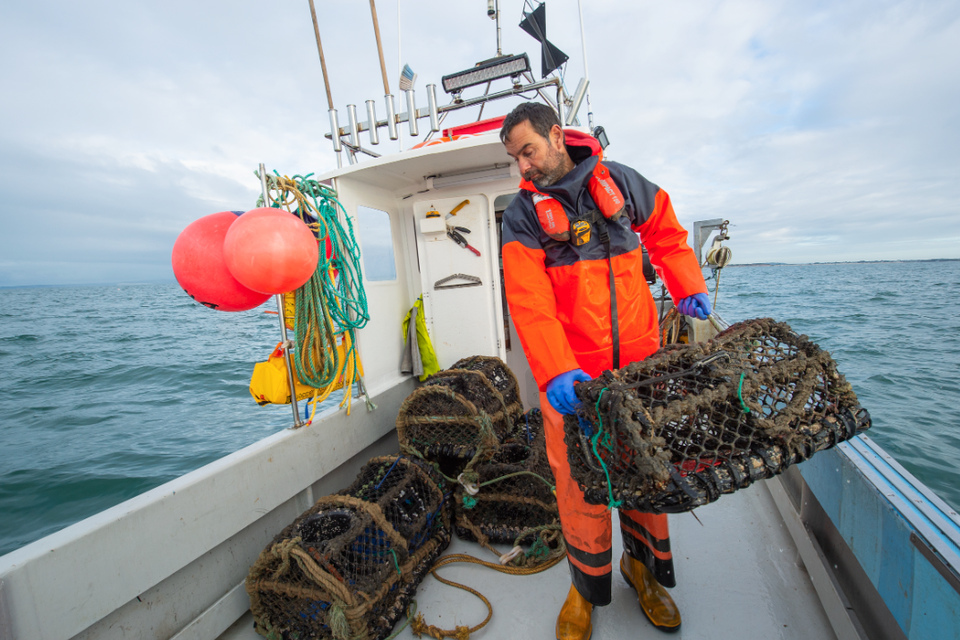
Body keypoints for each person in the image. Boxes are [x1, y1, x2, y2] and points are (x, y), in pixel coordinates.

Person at [499, 102, 712, 639]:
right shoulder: (522, 215)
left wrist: (687, 285)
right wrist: (554, 371)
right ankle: (584, 590)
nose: (522, 166)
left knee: (645, 471)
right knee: (578, 486)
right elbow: (528, 301)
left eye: (527, 150)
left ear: (555, 136)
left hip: (639, 371)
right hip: (574, 383)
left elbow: (665, 230)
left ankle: (642, 573)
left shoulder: (619, 181)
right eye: (514, 157)